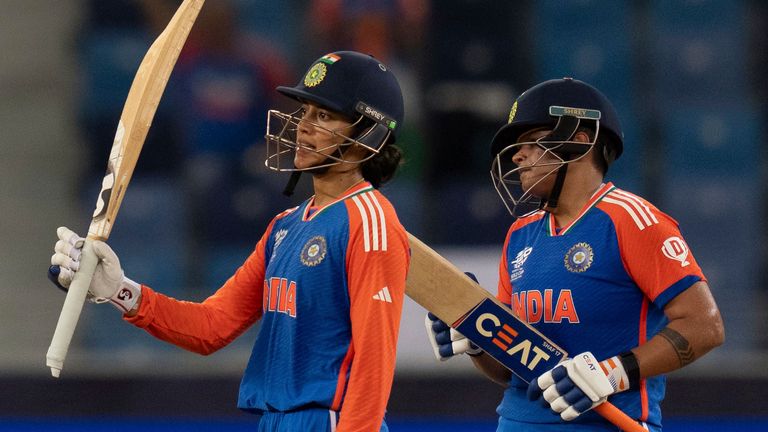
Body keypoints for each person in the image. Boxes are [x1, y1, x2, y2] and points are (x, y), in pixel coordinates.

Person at [49, 51, 410, 432]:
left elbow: (374, 366)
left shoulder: (372, 224)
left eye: (324, 115)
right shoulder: (285, 226)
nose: (303, 126)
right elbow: (211, 327)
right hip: (274, 422)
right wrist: (121, 291)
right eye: (305, 111)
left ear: (368, 134)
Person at [425, 77, 725, 431]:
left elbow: (706, 326)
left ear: (579, 142)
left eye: (531, 142)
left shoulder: (632, 220)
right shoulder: (520, 233)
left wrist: (614, 373)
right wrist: (478, 340)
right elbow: (511, 369)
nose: (518, 155)